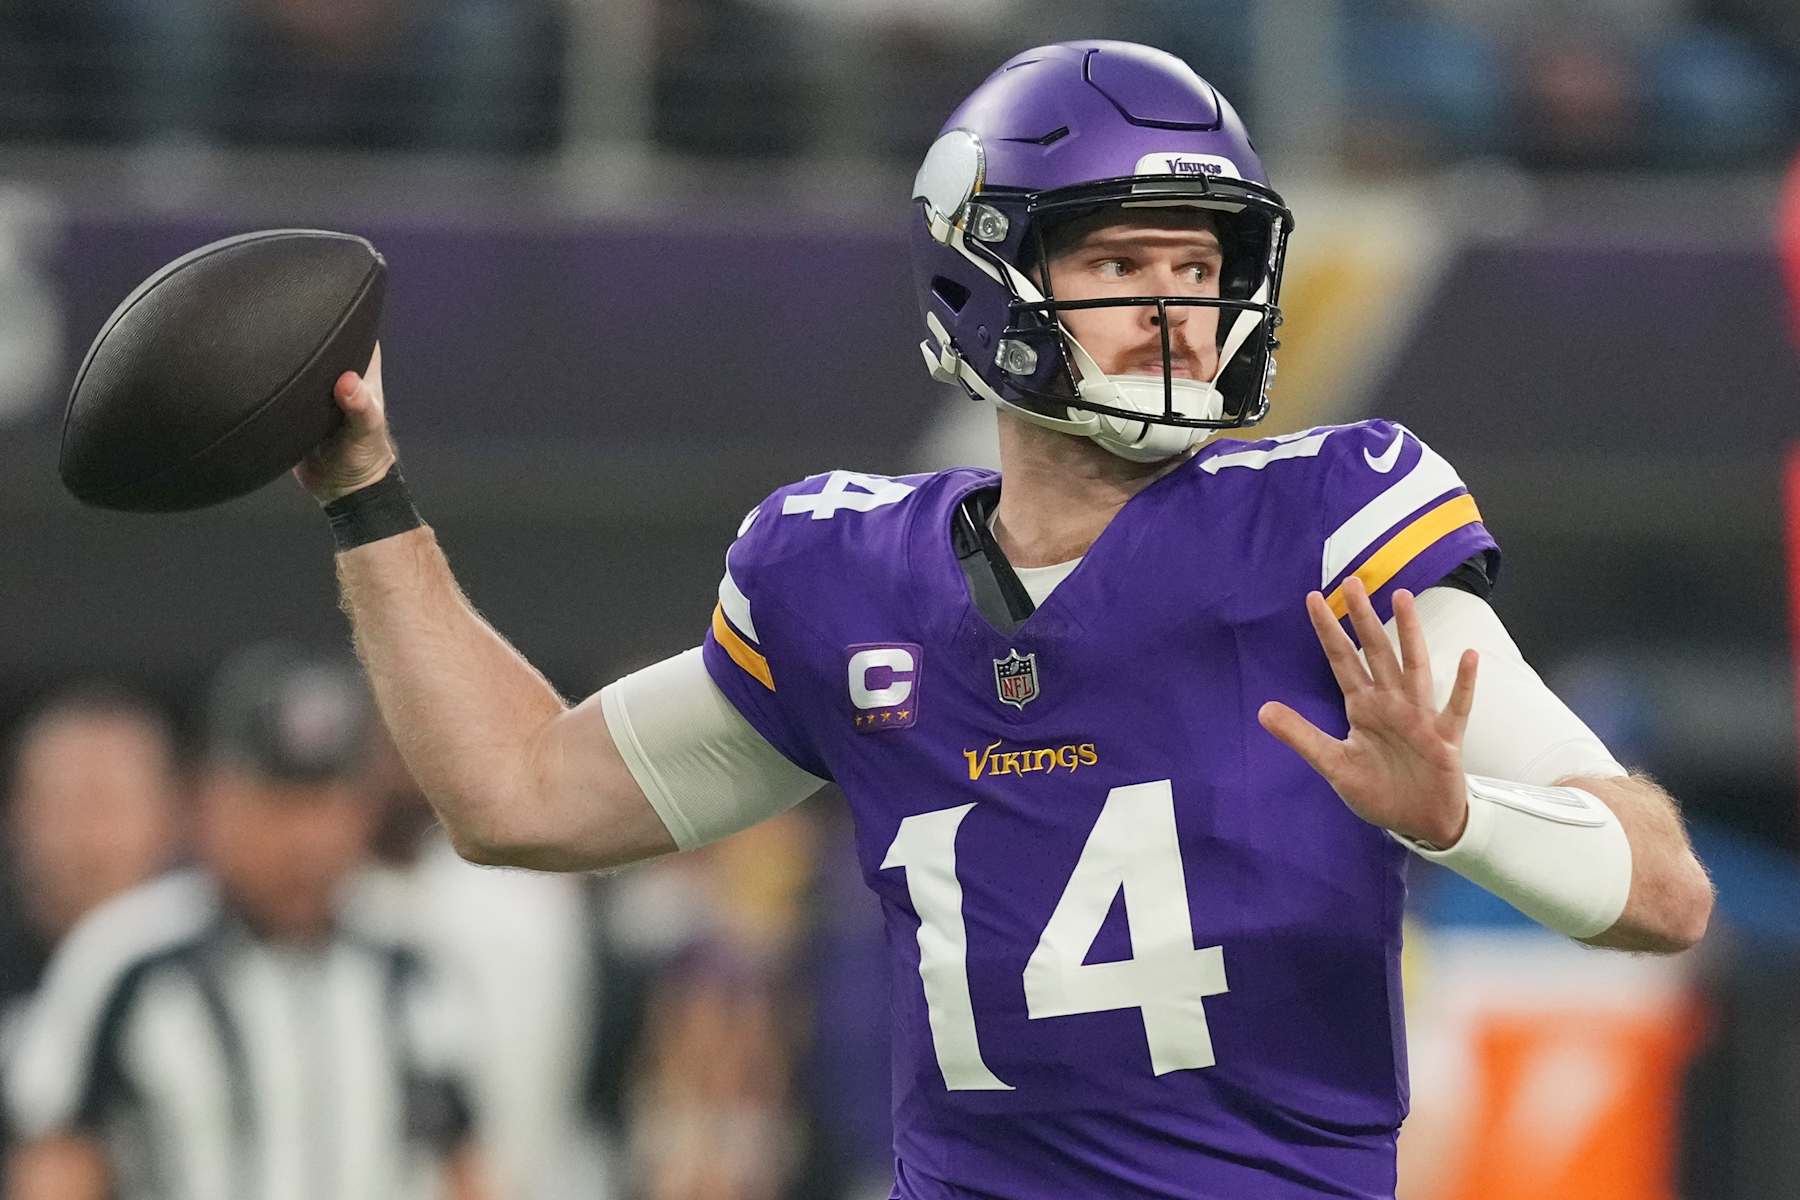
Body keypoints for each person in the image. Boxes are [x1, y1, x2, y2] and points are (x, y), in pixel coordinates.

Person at [295, 40, 1714, 1199]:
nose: (1176, 309)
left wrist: (1459, 819)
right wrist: (365, 491)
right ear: (981, 278)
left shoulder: (1330, 531)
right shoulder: (843, 578)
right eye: (1123, 265)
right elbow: (518, 795)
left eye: (1200, 267)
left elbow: (1663, 888)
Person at [2, 644, 489, 1200]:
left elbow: (464, 1163)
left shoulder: (410, 962)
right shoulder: (128, 956)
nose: (307, 840)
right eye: (278, 804)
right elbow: (57, 1164)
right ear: (211, 799)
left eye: (326, 802)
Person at [0, 687, 183, 1182]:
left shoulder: (215, 972)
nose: (86, 839)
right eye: (61, 804)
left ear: (170, 816)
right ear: (16, 816)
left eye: (108, 804)